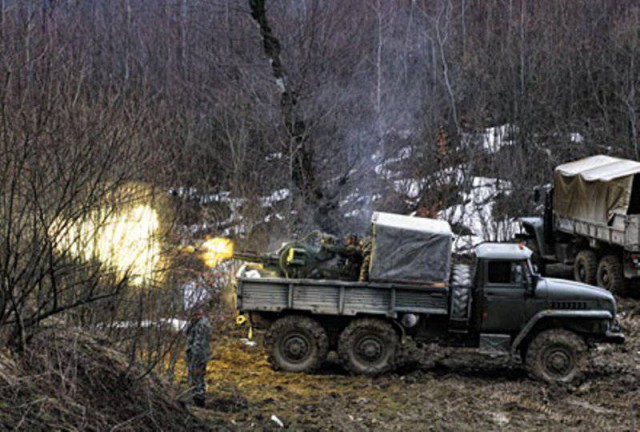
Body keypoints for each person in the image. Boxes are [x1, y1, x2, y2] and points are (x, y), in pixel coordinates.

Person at [185, 306, 212, 407]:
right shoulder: (195, 323)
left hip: (198, 357)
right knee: (194, 378)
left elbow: (199, 344)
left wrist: (194, 359)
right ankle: (196, 398)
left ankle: (199, 402)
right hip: (193, 356)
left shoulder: (202, 325)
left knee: (198, 378)